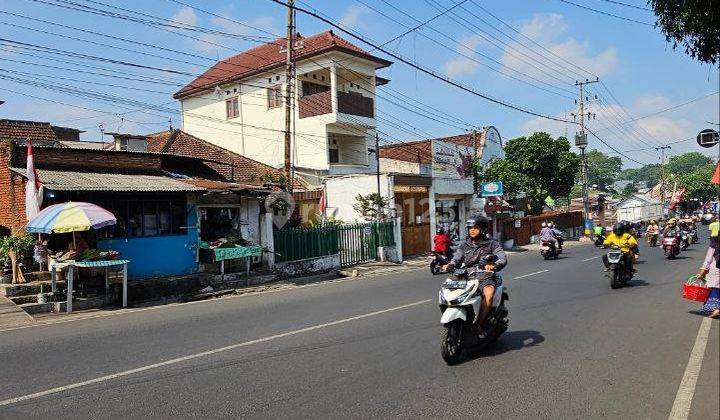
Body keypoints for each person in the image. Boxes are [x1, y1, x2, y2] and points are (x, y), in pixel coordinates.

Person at [444, 215, 507, 338]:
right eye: (470, 228)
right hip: (467, 275)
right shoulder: (464, 245)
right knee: (449, 290)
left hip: (485, 276)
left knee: (488, 295)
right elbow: (457, 257)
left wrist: (494, 265)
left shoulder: (492, 244)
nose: (472, 230)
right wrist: (450, 264)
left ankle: (478, 324)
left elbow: (502, 257)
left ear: (483, 229)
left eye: (475, 228)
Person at [696, 226, 720, 318]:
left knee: (715, 289)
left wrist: (702, 272)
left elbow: (708, 259)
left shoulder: (715, 244)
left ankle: (716, 309)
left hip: (716, 270)